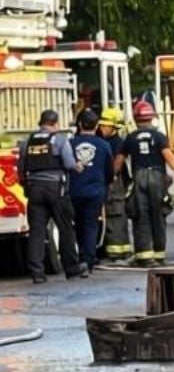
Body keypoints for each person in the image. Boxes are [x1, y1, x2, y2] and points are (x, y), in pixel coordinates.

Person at [17, 109, 87, 282]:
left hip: (34, 189)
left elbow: (21, 168)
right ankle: (71, 268)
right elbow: (69, 164)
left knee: (37, 230)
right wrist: (78, 166)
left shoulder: (27, 142)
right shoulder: (60, 140)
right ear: (55, 124)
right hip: (56, 189)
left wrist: (26, 186)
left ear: (40, 123)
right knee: (65, 227)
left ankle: (37, 272)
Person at [116, 101, 174, 266]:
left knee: (141, 215)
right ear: (152, 117)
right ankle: (159, 255)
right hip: (157, 178)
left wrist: (112, 175)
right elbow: (168, 156)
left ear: (136, 118)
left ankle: (144, 256)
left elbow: (118, 161)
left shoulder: (130, 138)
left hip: (139, 178)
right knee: (158, 215)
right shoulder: (159, 136)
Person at [69, 110, 114, 273]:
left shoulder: (70, 144)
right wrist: (106, 184)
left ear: (80, 125)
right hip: (95, 191)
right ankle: (88, 260)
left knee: (78, 224)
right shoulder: (104, 145)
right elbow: (109, 170)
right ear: (97, 126)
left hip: (74, 190)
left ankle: (81, 255)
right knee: (91, 224)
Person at [97, 107, 132, 264]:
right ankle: (115, 249)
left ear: (115, 127)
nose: (102, 128)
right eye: (101, 125)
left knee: (115, 213)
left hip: (115, 182)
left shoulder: (117, 144)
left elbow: (117, 165)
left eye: (106, 126)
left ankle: (118, 251)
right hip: (108, 181)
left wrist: (110, 179)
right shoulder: (105, 142)